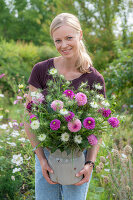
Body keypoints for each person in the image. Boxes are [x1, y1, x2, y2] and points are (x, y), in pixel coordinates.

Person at [24, 13, 106, 200]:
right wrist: (41, 159)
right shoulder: (41, 70)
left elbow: (98, 129)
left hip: (79, 157)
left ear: (80, 35)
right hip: (46, 155)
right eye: (58, 40)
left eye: (69, 38)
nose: (63, 45)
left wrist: (90, 163)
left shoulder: (94, 79)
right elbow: (29, 118)